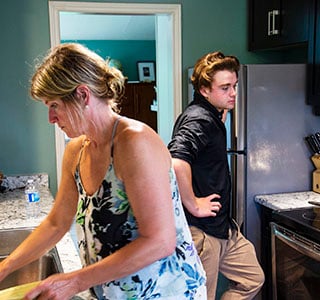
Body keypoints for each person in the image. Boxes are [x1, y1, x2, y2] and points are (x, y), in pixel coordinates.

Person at [0, 43, 207, 300]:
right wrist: (5, 267)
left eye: (54, 105)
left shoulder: (134, 142)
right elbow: (56, 222)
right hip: (111, 290)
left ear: (83, 95)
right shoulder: (76, 150)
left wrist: (73, 282)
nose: (51, 118)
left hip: (164, 292)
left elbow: (160, 241)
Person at [167, 51, 265, 299]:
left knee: (252, 278)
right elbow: (176, 161)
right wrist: (194, 203)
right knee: (202, 295)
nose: (233, 93)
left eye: (234, 86)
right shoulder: (200, 120)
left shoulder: (210, 115)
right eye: (225, 87)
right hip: (202, 231)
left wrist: (222, 114)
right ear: (204, 90)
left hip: (222, 227)